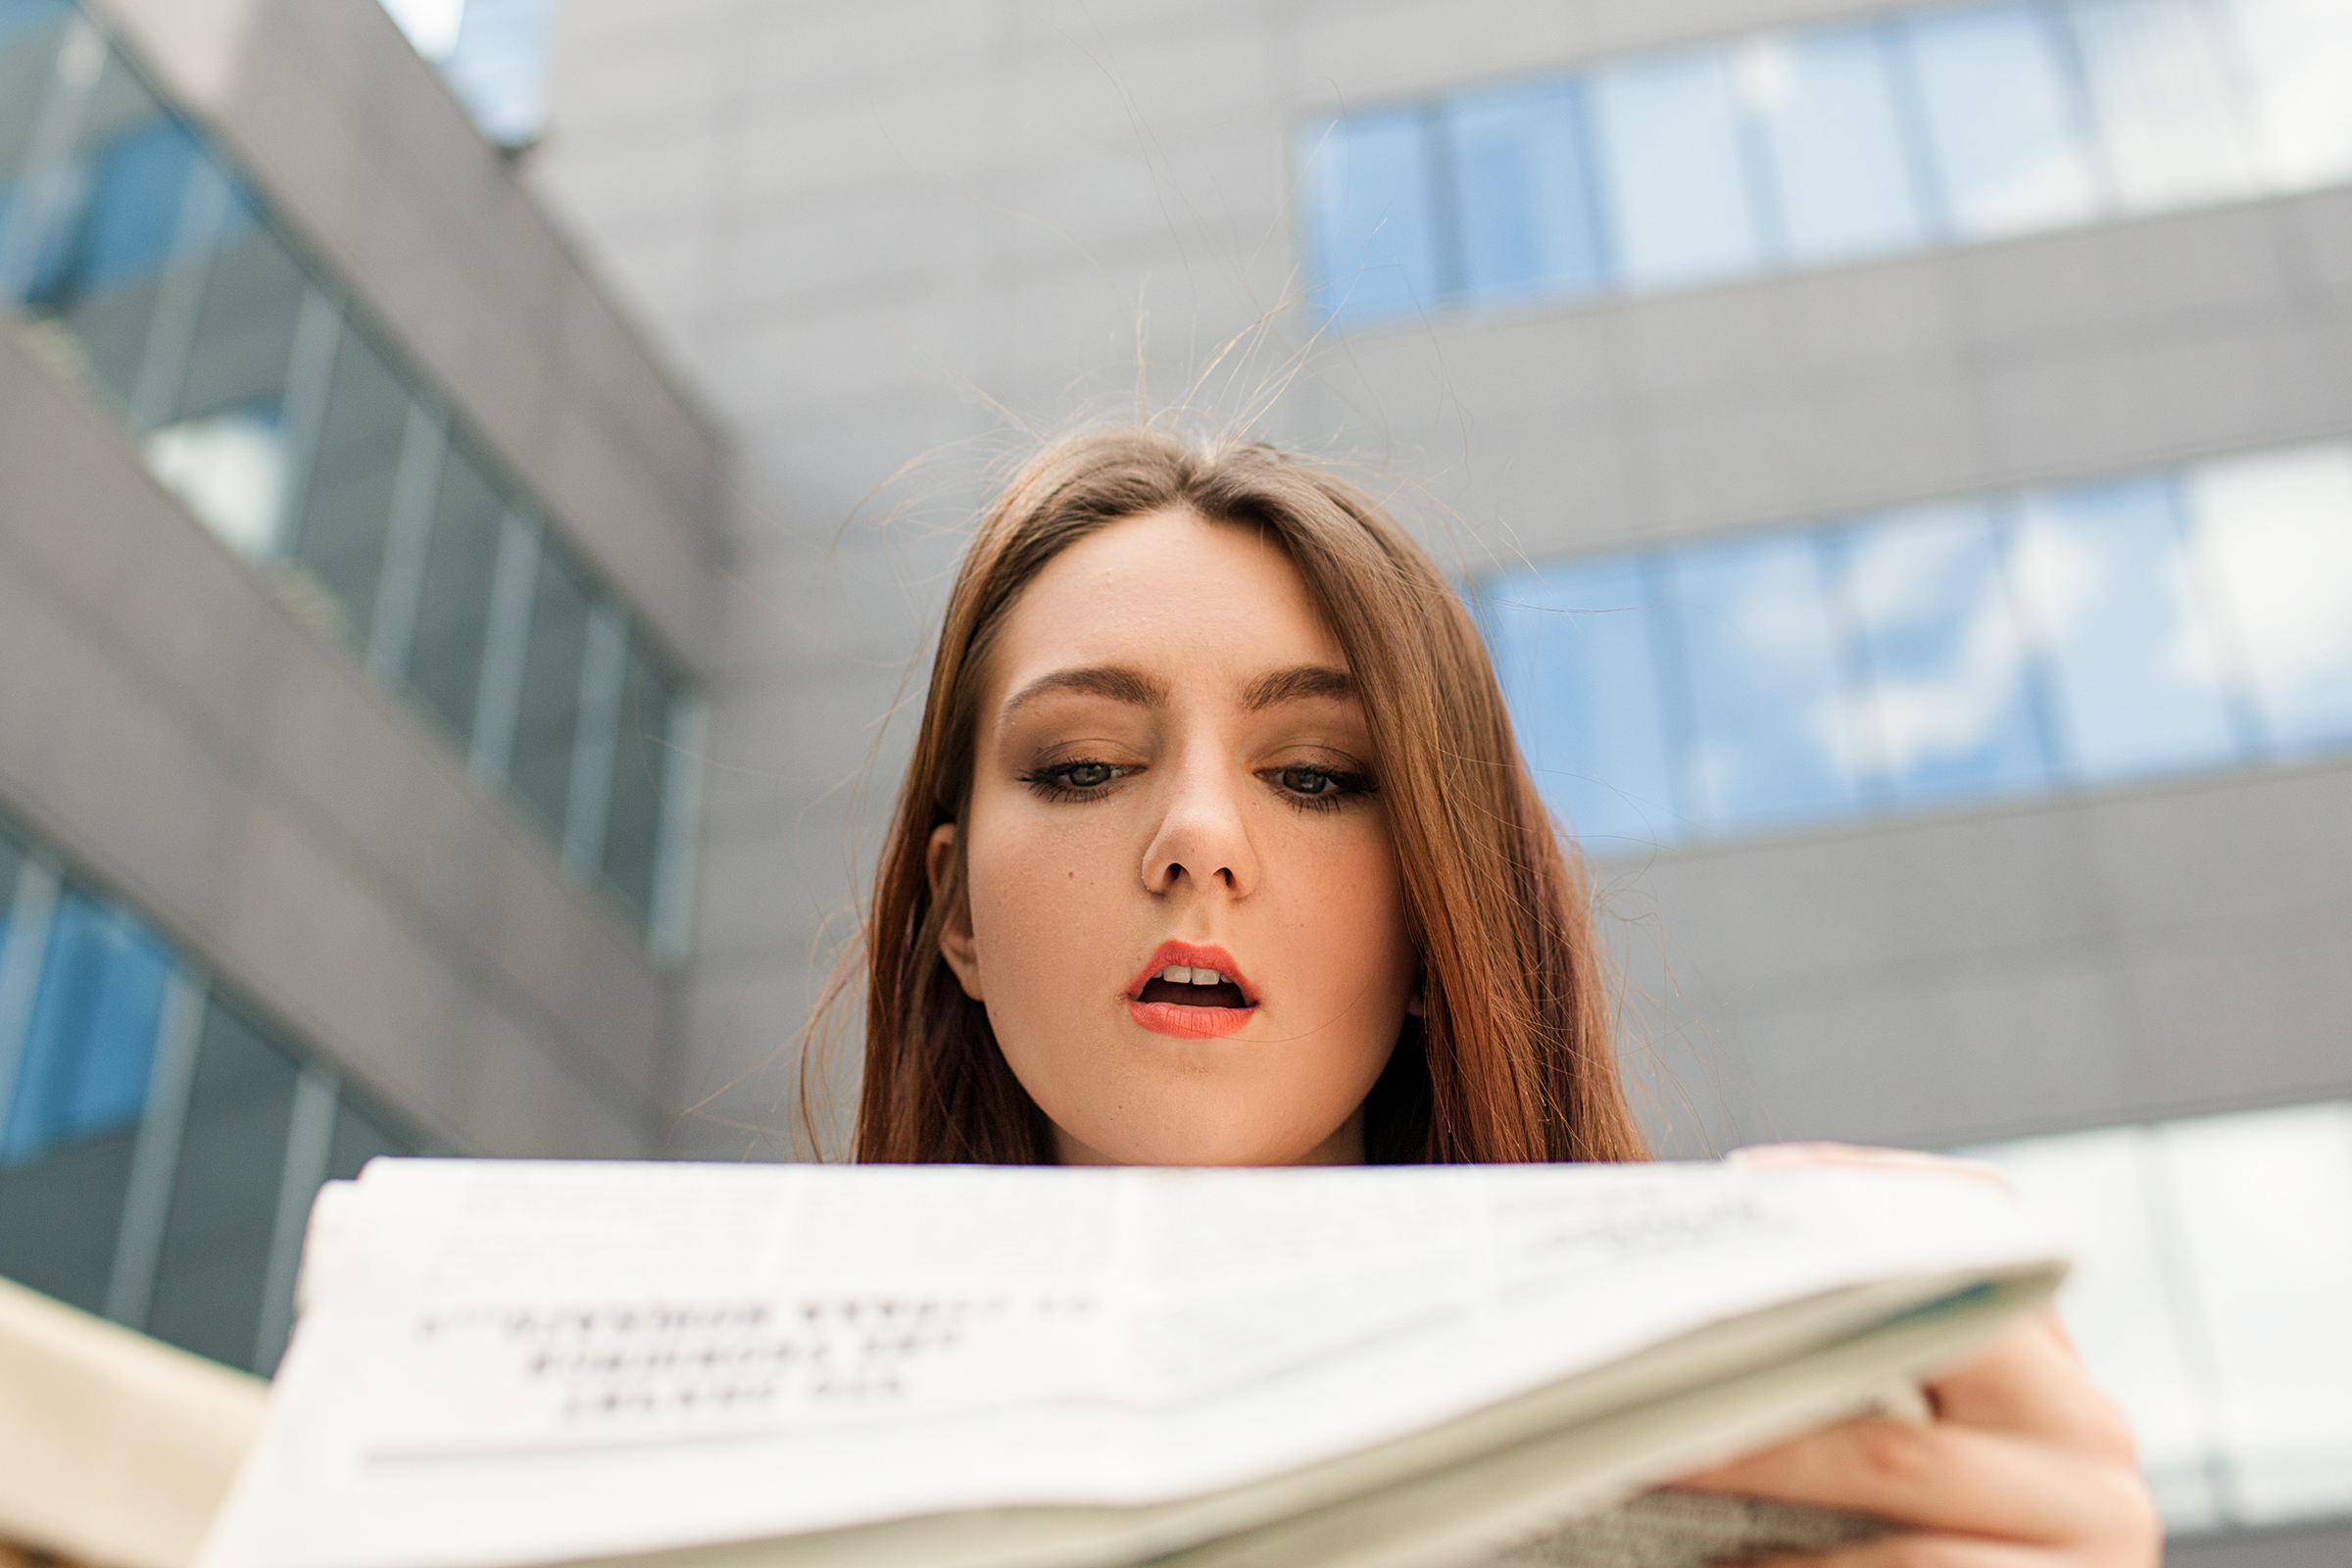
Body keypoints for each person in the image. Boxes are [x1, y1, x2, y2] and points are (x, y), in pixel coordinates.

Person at [824, 425, 2158, 1565]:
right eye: (1081, 766)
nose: (1197, 837)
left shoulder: (1760, 1456)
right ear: (956, 917)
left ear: (1433, 920)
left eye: (1317, 777)